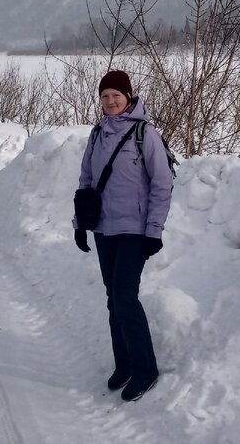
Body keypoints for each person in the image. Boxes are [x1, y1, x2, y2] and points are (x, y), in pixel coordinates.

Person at [73, 69, 173, 402]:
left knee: (125, 296)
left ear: (128, 97)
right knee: (112, 298)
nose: (111, 101)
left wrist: (153, 231)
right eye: (105, 96)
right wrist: (80, 224)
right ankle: (125, 363)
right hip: (104, 229)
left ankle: (146, 369)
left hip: (134, 230)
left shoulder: (146, 134)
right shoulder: (97, 133)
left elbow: (162, 184)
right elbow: (86, 181)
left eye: (116, 95)